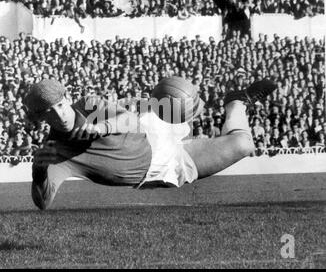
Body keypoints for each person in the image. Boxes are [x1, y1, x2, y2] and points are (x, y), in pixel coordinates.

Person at [24, 77, 277, 210]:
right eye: (48, 112)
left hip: (150, 129)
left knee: (179, 99)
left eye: (59, 105)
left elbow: (129, 119)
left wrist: (99, 127)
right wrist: (38, 172)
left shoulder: (90, 105)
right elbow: (43, 203)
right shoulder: (54, 152)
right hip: (161, 164)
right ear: (40, 118)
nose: (59, 114)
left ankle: (232, 102)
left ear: (67, 98)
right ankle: (237, 102)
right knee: (243, 144)